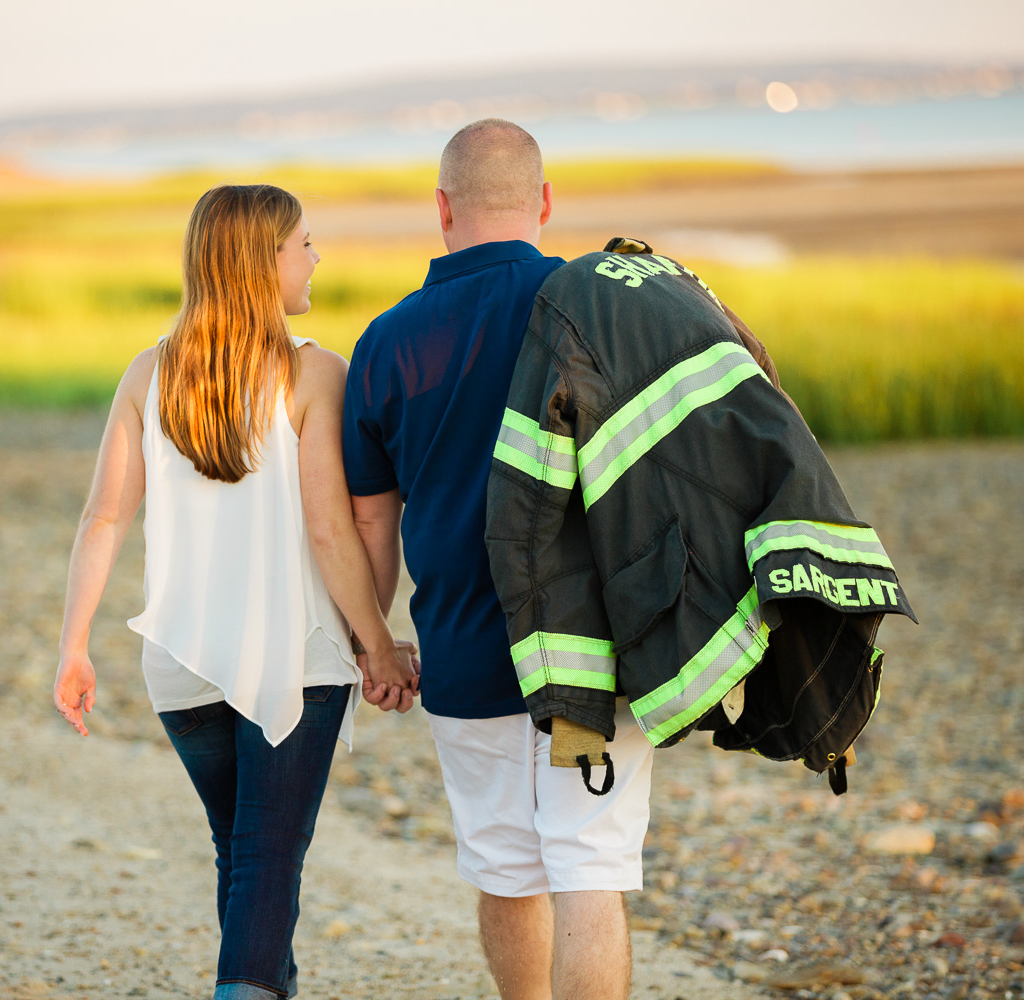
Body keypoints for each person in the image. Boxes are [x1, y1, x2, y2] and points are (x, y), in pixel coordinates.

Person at [52, 183, 418, 1000]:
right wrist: (378, 644)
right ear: (263, 262)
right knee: (266, 860)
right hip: (291, 660)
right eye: (304, 244)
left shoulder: (149, 373)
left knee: (245, 854)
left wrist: (74, 647)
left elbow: (103, 517)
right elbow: (334, 532)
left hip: (180, 667)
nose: (316, 257)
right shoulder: (315, 372)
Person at [342, 120, 653, 1000]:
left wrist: (377, 646)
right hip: (593, 656)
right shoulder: (602, 308)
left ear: (442, 209)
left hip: (468, 659)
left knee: (507, 868)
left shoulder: (388, 341)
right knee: (589, 866)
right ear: (545, 202)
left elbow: (372, 526)